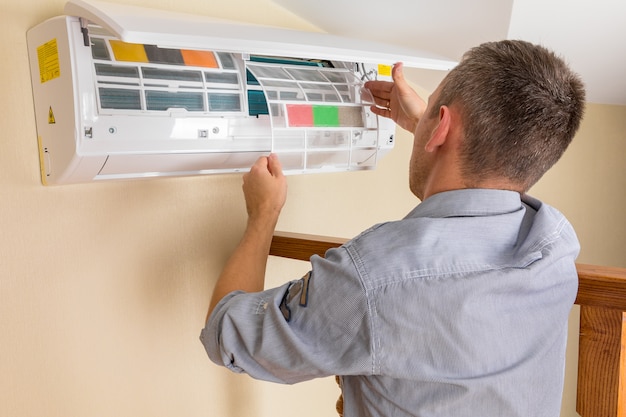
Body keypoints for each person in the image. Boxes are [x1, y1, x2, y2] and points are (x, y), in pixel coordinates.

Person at [200, 40, 586, 417]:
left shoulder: (374, 279)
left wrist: (263, 214)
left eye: (434, 108)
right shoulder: (555, 245)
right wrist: (429, 125)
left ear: (442, 127)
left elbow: (226, 333)